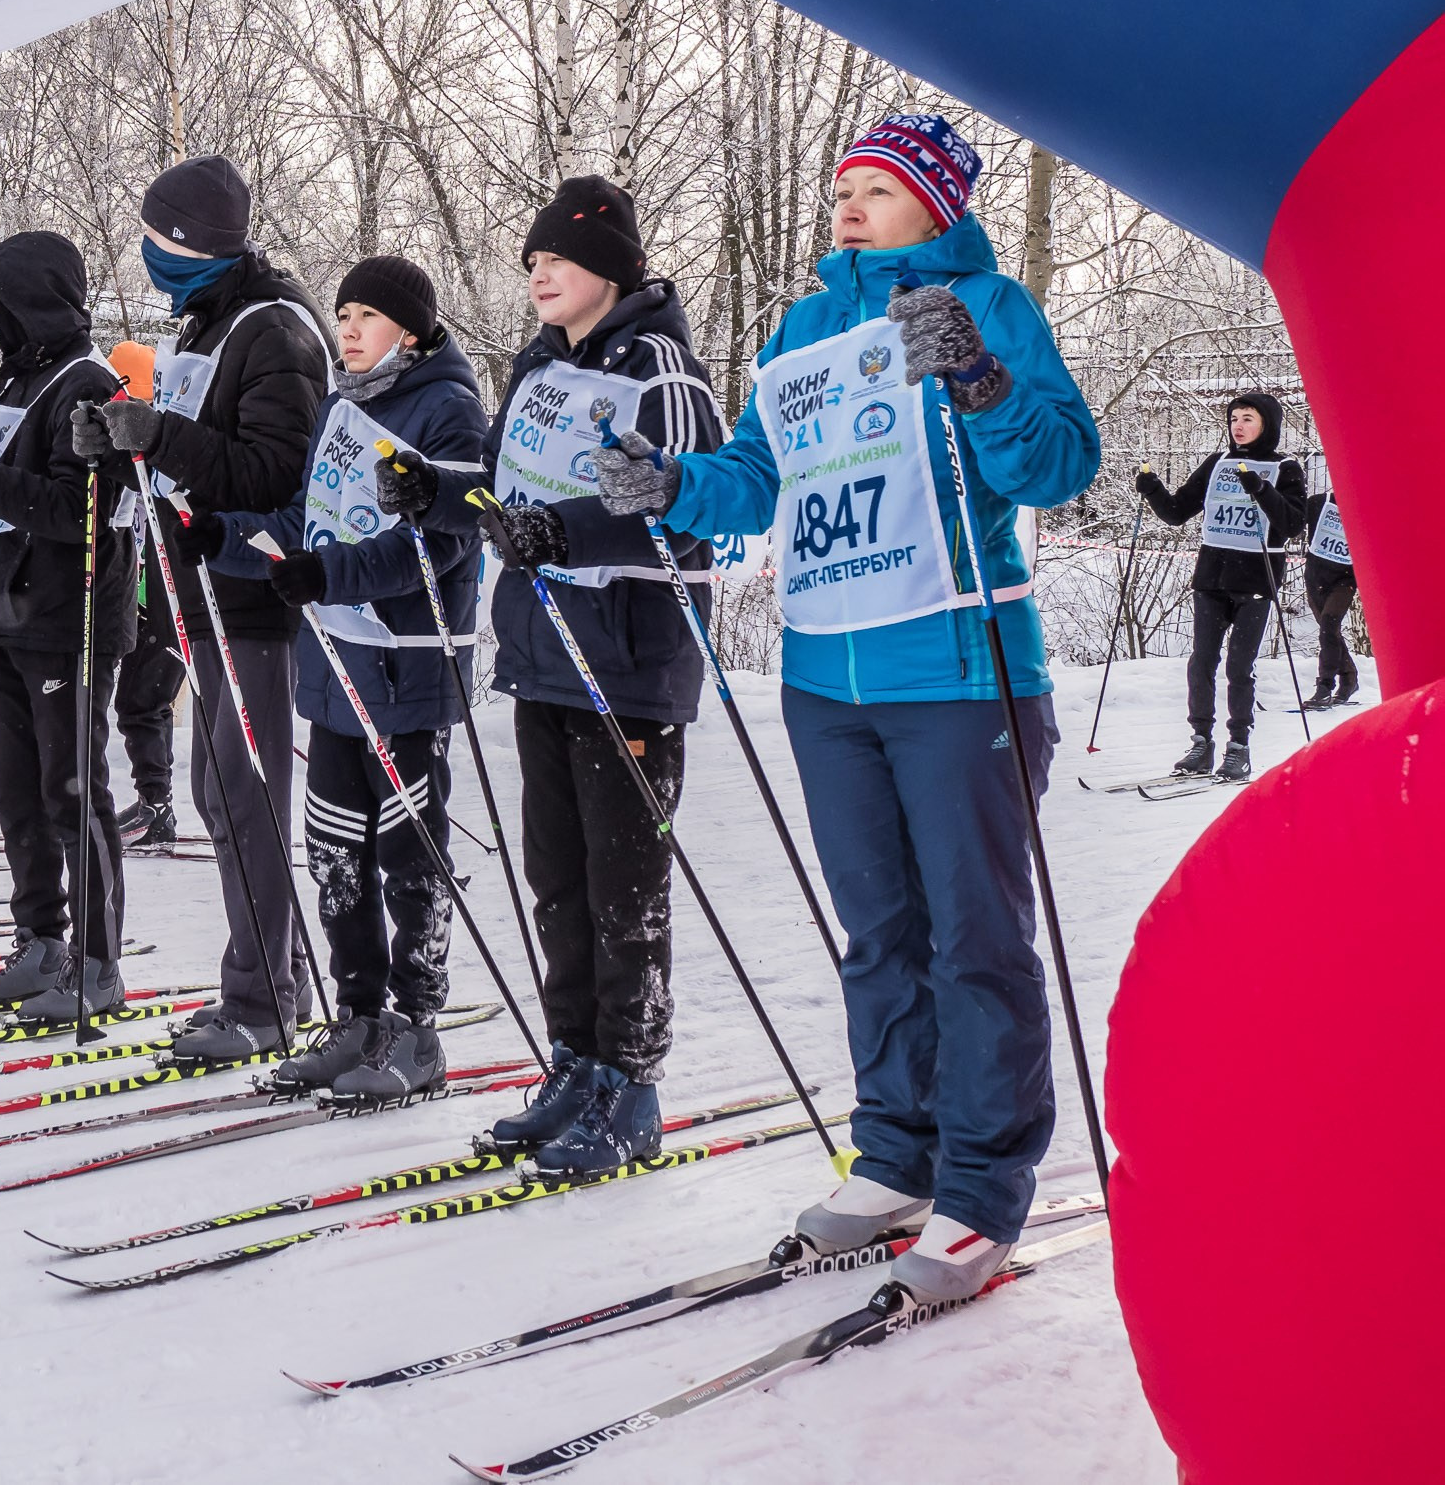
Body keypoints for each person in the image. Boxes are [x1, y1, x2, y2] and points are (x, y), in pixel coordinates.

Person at [590, 115, 1101, 1300]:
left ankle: (978, 1191)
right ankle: (895, 1159)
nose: (850, 203)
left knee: (973, 935)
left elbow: (1057, 467)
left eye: (878, 187)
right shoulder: (805, 328)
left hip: (958, 670)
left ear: (936, 205)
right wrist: (675, 485)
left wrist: (973, 375)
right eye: (843, 186)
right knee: (878, 934)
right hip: (827, 676)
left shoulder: (989, 303)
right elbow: (758, 479)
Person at [376, 177, 723, 1169]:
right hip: (543, 654)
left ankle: (632, 1082)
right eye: (530, 264)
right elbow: (503, 491)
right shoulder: (536, 366)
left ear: (607, 266)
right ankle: (574, 1062)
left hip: (626, 659)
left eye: (556, 262)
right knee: (557, 884)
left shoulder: (661, 368)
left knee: (624, 888)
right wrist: (432, 493)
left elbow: (677, 496)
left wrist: (556, 527)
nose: (539, 277)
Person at [205, 255, 486, 1099]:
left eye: (366, 314)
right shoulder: (340, 403)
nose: (350, 329)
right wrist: (222, 536)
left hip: (405, 671)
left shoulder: (449, 408)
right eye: (343, 314)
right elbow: (306, 519)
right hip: (332, 668)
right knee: (334, 852)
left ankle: (416, 1027)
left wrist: (330, 575)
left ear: (410, 326)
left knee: (407, 853)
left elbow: (440, 542)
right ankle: (358, 1016)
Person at [79, 156, 332, 1061]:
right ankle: (263, 979)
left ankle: (267, 996)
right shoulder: (206, 325)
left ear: (192, 240)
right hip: (201, 590)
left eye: (155, 236)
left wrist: (163, 437)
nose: (145, 251)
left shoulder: (274, 329)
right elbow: (185, 456)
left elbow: (275, 470)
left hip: (254, 593)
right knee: (219, 794)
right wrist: (121, 444)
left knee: (247, 794)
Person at [0, 231, 137, 1017]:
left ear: (32, 298)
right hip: (3, 609)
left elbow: (77, 512)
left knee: (69, 786)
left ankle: (97, 958)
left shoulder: (86, 381)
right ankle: (41, 938)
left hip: (64, 614)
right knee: (14, 787)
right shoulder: (17, 378)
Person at [1133, 394, 1307, 779]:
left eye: (1248, 418)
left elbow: (1294, 524)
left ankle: (1238, 747)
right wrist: (1152, 489)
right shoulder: (1218, 463)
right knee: (1201, 663)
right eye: (1233, 419)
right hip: (1211, 579)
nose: (1238, 426)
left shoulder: (1285, 468)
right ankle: (1200, 743)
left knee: (1239, 667)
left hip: (1256, 583)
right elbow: (1177, 513)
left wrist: (1261, 490)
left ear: (1267, 425)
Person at [107, 338, 185, 849]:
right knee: (140, 700)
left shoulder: (161, 451)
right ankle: (155, 802)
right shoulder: (126, 453)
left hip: (167, 595)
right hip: (140, 594)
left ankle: (157, 806)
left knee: (141, 699)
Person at [1300, 485, 1359, 708]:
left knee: (1329, 623)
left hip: (1345, 579)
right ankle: (1349, 679)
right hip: (1316, 576)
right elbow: (1290, 521)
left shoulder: (1363, 509)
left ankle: (1325, 687)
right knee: (1329, 632)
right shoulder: (1318, 503)